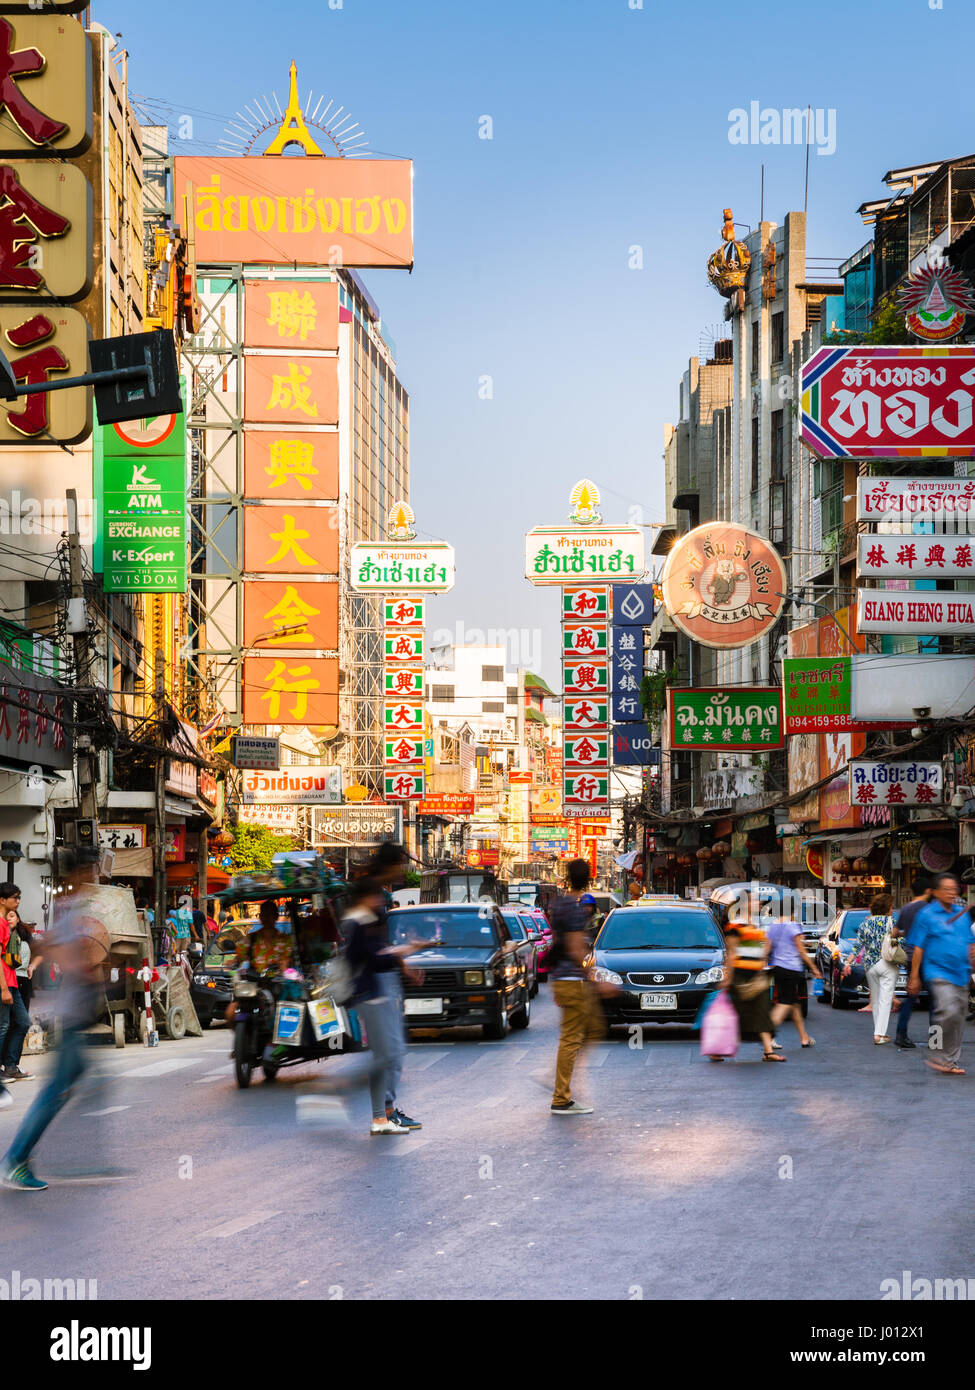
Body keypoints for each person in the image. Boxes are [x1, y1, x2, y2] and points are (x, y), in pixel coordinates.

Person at [2, 865, 112, 1190]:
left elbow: (43, 946)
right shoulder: (67, 914)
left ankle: (76, 1156)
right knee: (54, 1095)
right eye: (90, 875)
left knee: (87, 1086)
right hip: (72, 1018)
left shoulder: (73, 913)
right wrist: (80, 964)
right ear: (77, 877)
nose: (93, 882)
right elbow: (48, 948)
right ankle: (17, 1159)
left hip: (77, 1019)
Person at [344, 877, 426, 1135]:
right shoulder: (358, 921)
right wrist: (405, 951)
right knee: (386, 1055)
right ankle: (374, 1111)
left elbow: (378, 954)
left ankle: (382, 1117)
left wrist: (402, 957)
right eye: (377, 896)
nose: (381, 901)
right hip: (370, 993)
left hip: (375, 991)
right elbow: (370, 958)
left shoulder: (368, 919)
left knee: (389, 1054)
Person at [549, 858, 605, 1114]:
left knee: (593, 1028)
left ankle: (557, 1075)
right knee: (572, 1038)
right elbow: (574, 948)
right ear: (588, 879)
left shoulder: (559, 904)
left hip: (563, 978)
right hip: (572, 980)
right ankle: (561, 1096)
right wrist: (593, 977)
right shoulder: (573, 908)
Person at [908, 872, 975, 1076]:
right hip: (937, 971)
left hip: (961, 972)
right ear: (935, 892)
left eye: (954, 889)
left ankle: (949, 1061)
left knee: (958, 1017)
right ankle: (937, 1050)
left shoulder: (962, 914)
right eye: (946, 889)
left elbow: (969, 942)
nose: (951, 893)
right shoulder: (926, 915)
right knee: (947, 1009)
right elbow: (918, 947)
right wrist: (914, 976)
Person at [723, 915, 784, 1061]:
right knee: (738, 1017)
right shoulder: (735, 926)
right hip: (740, 979)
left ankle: (768, 1052)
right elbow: (731, 952)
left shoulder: (755, 924)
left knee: (762, 1012)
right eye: (753, 901)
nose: (759, 903)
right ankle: (719, 1050)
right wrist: (727, 978)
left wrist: (762, 969)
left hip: (756, 977)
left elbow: (760, 950)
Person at [842, 892, 899, 1045]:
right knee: (886, 1000)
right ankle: (879, 1034)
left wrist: (848, 963)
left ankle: (879, 1033)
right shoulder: (892, 922)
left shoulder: (864, 924)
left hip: (870, 965)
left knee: (876, 1000)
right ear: (887, 908)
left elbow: (857, 946)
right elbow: (900, 941)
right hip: (887, 963)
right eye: (891, 906)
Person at [767, 913, 821, 1048]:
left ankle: (804, 1037)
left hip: (777, 968)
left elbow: (767, 948)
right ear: (791, 912)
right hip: (791, 969)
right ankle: (768, 1034)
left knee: (794, 1004)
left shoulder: (773, 927)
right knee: (785, 1003)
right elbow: (801, 950)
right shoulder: (792, 926)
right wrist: (813, 967)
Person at [0, 887, 33, 1089]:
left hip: (12, 981)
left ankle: (11, 1065)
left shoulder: (7, 925)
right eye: (14, 898)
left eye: (19, 897)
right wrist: (3, 989)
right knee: (2, 1026)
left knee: (22, 1022)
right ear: (2, 900)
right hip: (3, 983)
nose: (18, 901)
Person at [893, 876, 931, 1050]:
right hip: (928, 957)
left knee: (911, 997)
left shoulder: (906, 909)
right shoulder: (929, 909)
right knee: (935, 999)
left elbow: (894, 933)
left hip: (909, 957)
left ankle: (901, 1035)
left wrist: (908, 933)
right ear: (928, 891)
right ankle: (935, 1038)